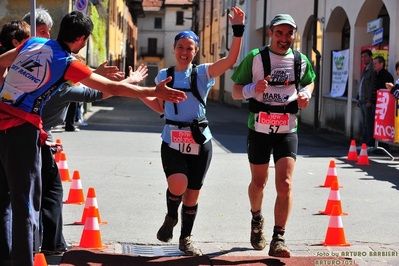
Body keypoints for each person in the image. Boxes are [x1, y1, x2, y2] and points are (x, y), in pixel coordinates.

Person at [0, 11, 185, 266]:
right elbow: (110, 88)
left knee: (4, 198)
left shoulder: (32, 43)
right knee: (26, 203)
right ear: (83, 39)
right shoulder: (67, 62)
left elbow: (0, 62)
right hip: (21, 130)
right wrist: (153, 90)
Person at [140, 6, 245, 256]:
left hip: (200, 140)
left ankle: (185, 239)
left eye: (190, 48)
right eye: (180, 47)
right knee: (178, 185)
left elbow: (230, 60)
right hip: (172, 139)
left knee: (192, 195)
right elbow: (160, 108)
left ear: (196, 51)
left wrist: (238, 30)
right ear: (174, 49)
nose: (184, 52)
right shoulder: (163, 76)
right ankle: (170, 217)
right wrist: (140, 91)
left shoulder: (203, 73)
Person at [231, 14, 316, 258]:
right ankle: (256, 218)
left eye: (289, 33)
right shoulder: (256, 58)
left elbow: (309, 82)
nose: (284, 38)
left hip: (288, 128)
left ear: (294, 35)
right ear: (270, 33)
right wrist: (252, 89)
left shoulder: (300, 60)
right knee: (259, 183)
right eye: (279, 33)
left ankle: (279, 237)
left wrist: (305, 94)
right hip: (259, 128)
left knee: (285, 184)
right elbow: (236, 91)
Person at [356, 49, 375, 148]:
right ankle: (364, 142)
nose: (363, 59)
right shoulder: (365, 69)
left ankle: (369, 143)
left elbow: (371, 86)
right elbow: (362, 84)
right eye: (362, 57)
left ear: (370, 57)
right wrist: (358, 98)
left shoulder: (372, 69)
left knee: (368, 123)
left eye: (365, 56)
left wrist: (369, 100)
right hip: (362, 100)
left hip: (367, 101)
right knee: (364, 123)